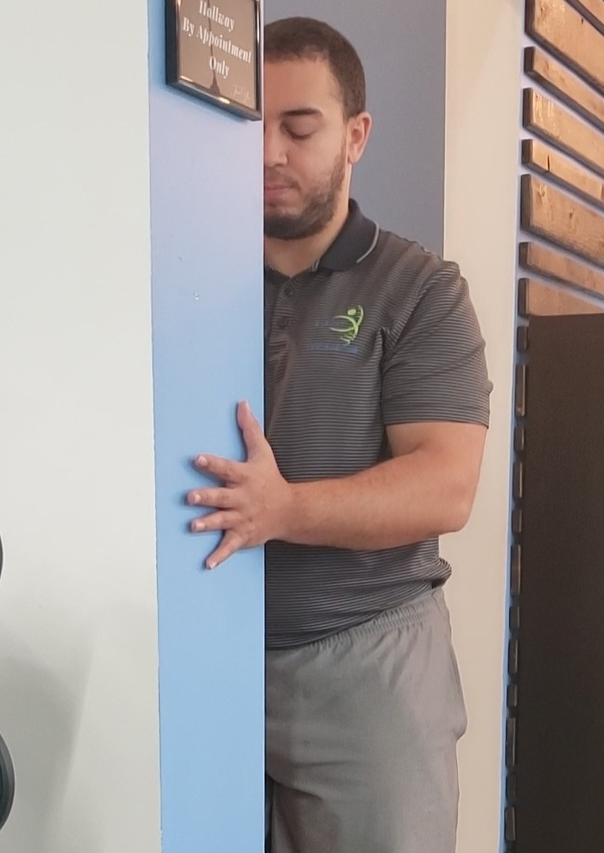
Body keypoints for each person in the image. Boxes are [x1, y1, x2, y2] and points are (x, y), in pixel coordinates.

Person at [186, 16, 491, 853]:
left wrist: (283, 510)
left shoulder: (420, 290)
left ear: (356, 135)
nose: (268, 153)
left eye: (299, 127)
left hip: (367, 667)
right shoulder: (196, 278)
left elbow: (445, 485)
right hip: (213, 656)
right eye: (254, 124)